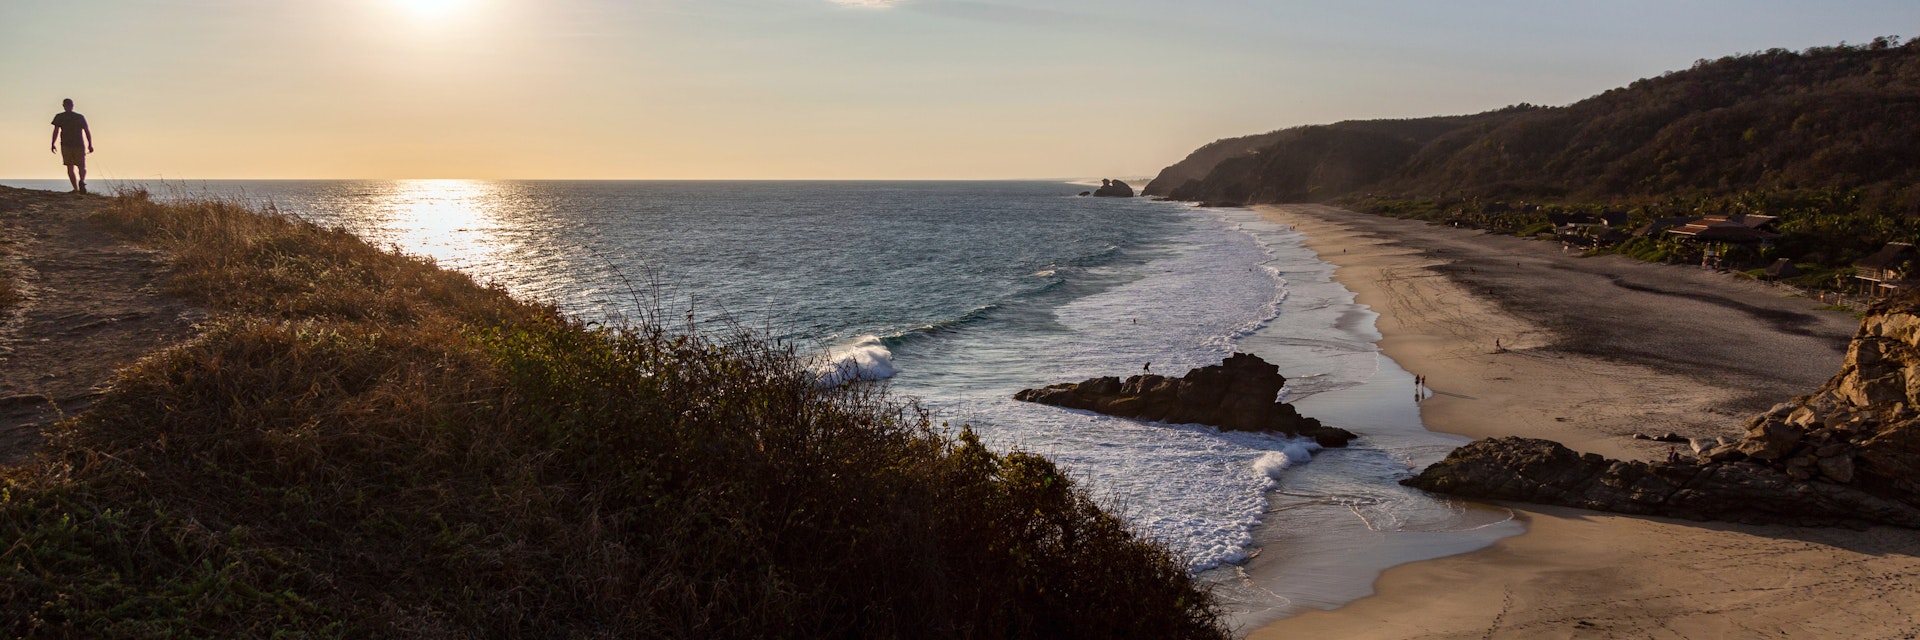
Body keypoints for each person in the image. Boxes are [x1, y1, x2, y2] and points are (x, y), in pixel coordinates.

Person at [50, 99, 93, 194]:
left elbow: (56, 131)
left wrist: (52, 143)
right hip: (76, 144)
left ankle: (77, 188)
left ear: (64, 106)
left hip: (67, 144)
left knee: (70, 167)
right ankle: (81, 182)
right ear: (72, 105)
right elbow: (86, 131)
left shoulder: (60, 117)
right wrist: (90, 144)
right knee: (81, 166)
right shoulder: (79, 117)